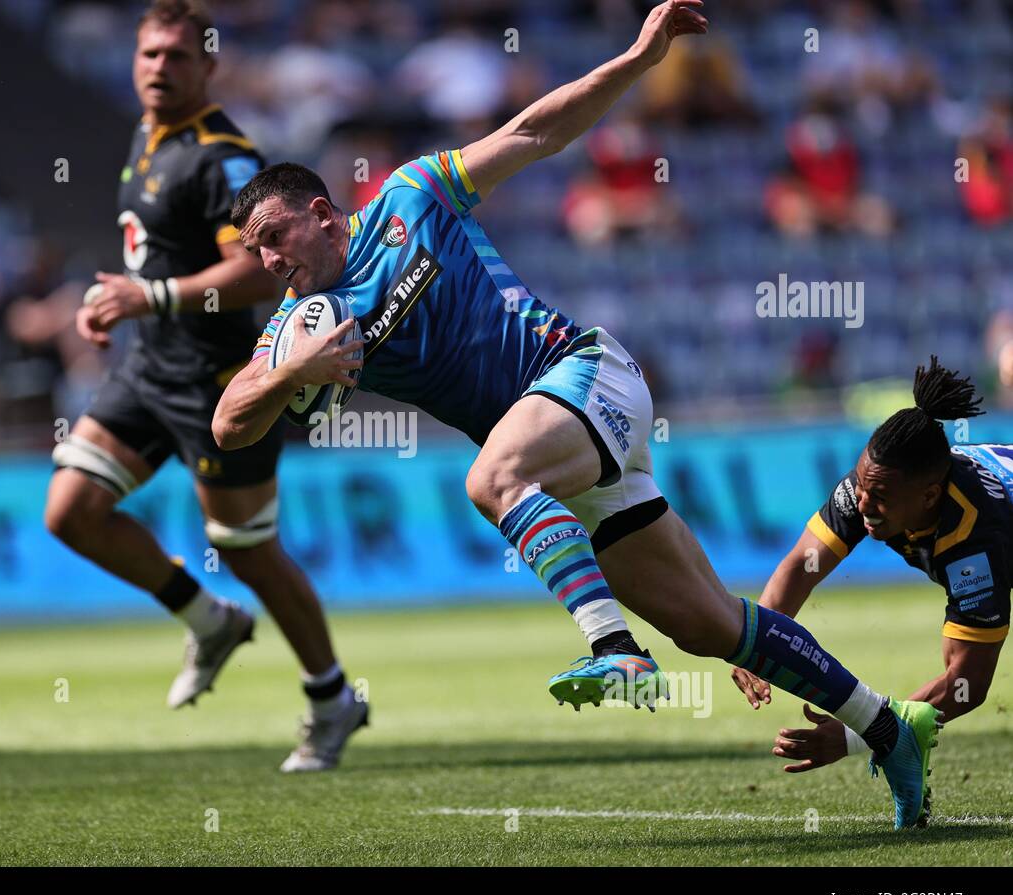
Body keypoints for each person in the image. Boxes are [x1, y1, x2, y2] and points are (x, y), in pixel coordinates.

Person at [213, 0, 939, 827]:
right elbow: (227, 423)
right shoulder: (299, 324)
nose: (269, 262)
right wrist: (287, 375)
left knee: (491, 476)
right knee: (715, 629)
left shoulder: (412, 197)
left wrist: (637, 58)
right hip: (565, 447)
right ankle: (891, 727)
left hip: (584, 372)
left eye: (275, 237)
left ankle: (614, 650)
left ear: (322, 213)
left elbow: (533, 132)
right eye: (255, 253)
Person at [43, 0, 362, 773]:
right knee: (71, 512)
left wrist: (148, 297)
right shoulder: (148, 137)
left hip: (220, 384)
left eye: (177, 57)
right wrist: (120, 302)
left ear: (207, 66)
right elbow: (157, 254)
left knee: (248, 551)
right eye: (149, 53)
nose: (159, 67)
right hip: (149, 369)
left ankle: (332, 698)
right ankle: (207, 619)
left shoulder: (223, 157)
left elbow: (257, 269)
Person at [734, 359, 1003, 776]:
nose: (862, 504)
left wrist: (855, 736)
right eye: (860, 485)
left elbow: (966, 686)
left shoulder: (974, 543)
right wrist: (756, 645)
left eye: (877, 496)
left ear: (929, 497)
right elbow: (801, 567)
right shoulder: (872, 487)